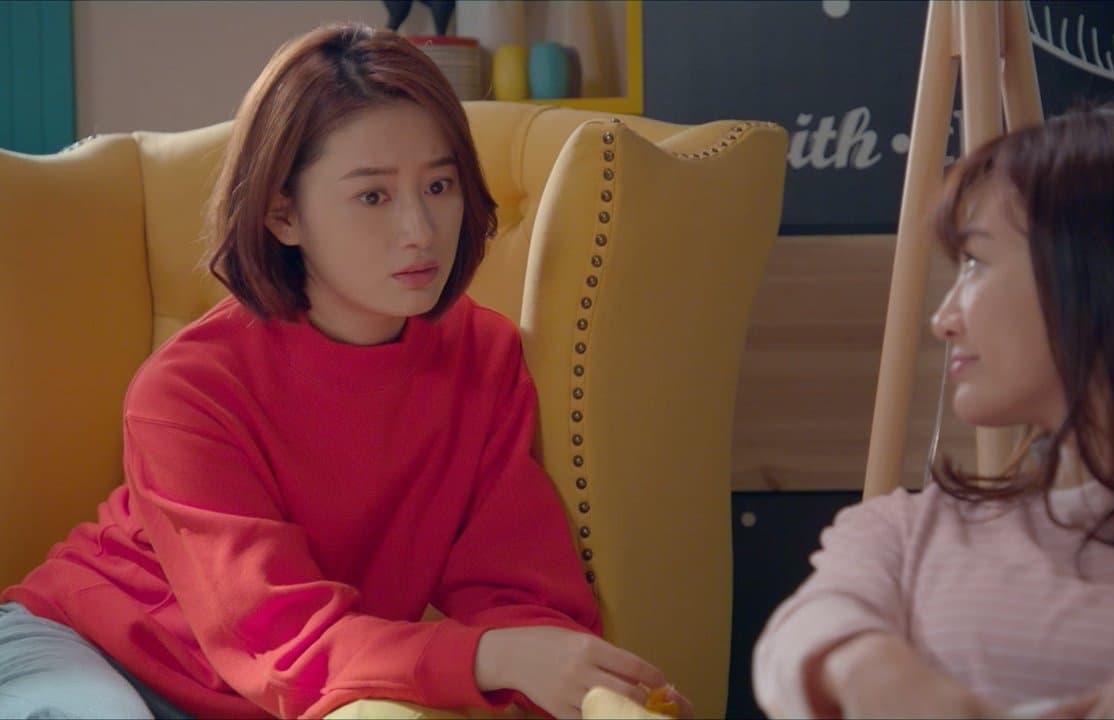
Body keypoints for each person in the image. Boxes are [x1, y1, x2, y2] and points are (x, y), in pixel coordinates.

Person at [0, 23, 682, 720]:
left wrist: (597, 689)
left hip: (266, 690)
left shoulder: (483, 358)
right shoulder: (185, 392)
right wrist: (488, 657)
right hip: (85, 650)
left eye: (439, 184)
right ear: (283, 214)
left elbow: (516, 595)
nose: (421, 229)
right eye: (373, 196)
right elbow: (281, 637)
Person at [752, 100, 1114, 719]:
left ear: (1101, 275)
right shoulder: (908, 532)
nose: (943, 320)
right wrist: (871, 669)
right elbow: (800, 635)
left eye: (975, 263)